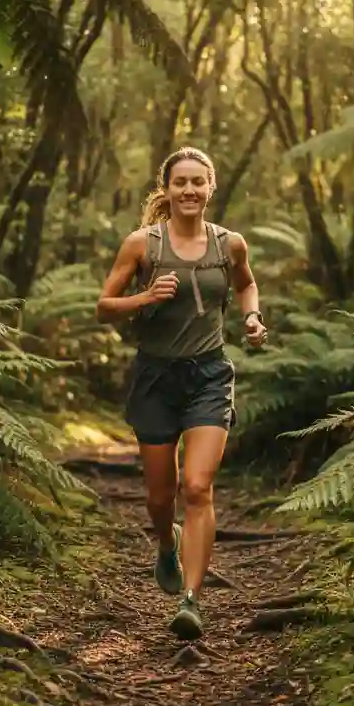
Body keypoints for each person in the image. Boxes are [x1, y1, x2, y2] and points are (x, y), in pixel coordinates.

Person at [95, 146, 267, 640]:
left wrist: (252, 317)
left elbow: (246, 286)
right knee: (159, 496)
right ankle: (166, 546)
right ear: (167, 190)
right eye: (180, 182)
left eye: (198, 182)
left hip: (210, 376)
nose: (189, 190)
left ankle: (191, 600)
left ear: (211, 188)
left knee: (197, 487)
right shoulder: (141, 245)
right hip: (155, 379)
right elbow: (104, 307)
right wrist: (145, 297)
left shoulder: (229, 244)